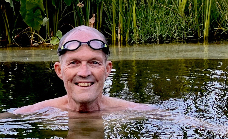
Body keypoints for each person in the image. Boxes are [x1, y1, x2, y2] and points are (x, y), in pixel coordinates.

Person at [14, 25, 154, 115]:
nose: (84, 72)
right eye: (74, 63)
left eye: (94, 62)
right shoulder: (35, 114)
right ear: (59, 70)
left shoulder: (135, 113)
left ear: (107, 69)